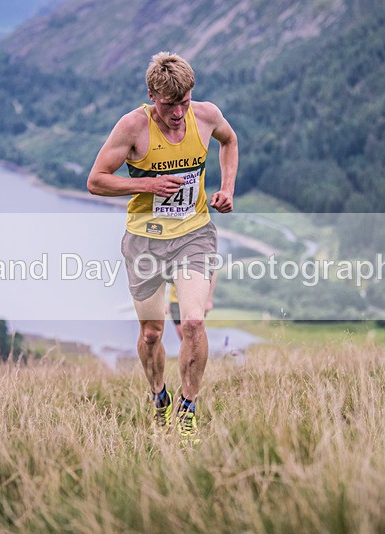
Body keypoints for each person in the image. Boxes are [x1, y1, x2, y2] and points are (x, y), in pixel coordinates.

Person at [87, 51, 238, 443]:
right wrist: (147, 184)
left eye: (184, 102)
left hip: (194, 233)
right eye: (170, 105)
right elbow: (97, 180)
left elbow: (230, 140)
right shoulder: (132, 127)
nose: (178, 113)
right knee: (152, 333)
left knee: (192, 322)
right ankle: (159, 396)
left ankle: (187, 409)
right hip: (146, 240)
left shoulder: (204, 115)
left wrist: (226, 189)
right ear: (152, 94)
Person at [167, 271, 217, 341]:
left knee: (194, 332)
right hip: (175, 300)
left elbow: (212, 270)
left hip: (195, 298)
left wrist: (208, 299)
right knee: (184, 337)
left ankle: (201, 351)